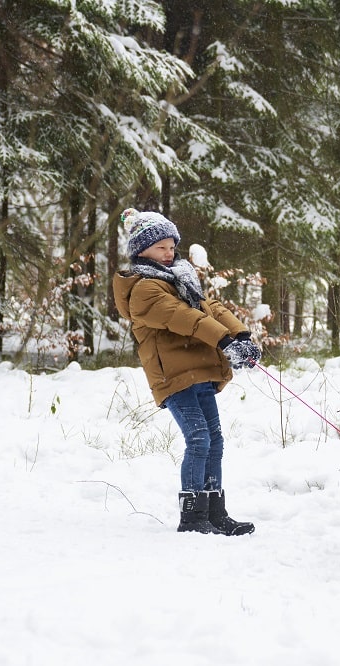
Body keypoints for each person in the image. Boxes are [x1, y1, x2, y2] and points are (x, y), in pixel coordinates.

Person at [112, 208, 262, 535]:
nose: (169, 253)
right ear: (141, 251)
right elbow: (184, 318)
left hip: (201, 371)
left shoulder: (180, 277)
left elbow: (209, 309)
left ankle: (215, 511)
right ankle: (193, 516)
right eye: (160, 247)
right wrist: (222, 340)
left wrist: (240, 335)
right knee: (198, 439)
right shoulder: (143, 289)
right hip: (174, 376)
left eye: (171, 246)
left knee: (215, 441)